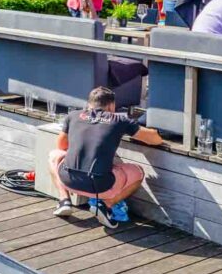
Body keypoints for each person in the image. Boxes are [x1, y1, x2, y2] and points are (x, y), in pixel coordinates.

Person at [48, 87, 162, 228]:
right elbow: (154, 139)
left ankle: (64, 200)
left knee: (54, 155)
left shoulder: (73, 115)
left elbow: (61, 145)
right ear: (111, 105)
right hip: (100, 185)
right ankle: (105, 205)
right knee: (137, 171)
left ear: (89, 103)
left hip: (68, 179)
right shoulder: (119, 120)